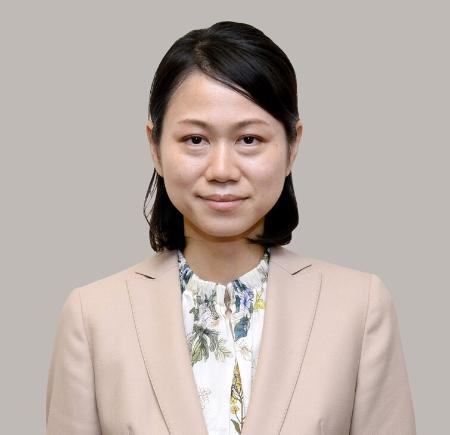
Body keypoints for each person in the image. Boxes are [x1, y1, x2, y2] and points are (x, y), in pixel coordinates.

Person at [46, 21, 416, 435]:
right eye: (195, 140)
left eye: (249, 140)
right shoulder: (93, 317)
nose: (222, 170)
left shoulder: (359, 308)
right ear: (155, 146)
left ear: (292, 145)